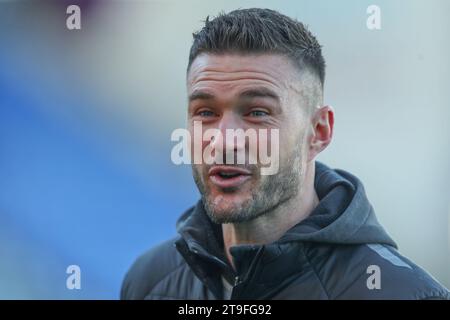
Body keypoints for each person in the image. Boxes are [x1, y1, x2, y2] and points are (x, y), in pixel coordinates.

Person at [121, 8, 450, 300]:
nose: (224, 140)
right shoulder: (149, 282)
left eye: (258, 113)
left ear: (318, 132)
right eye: (205, 112)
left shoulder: (402, 293)